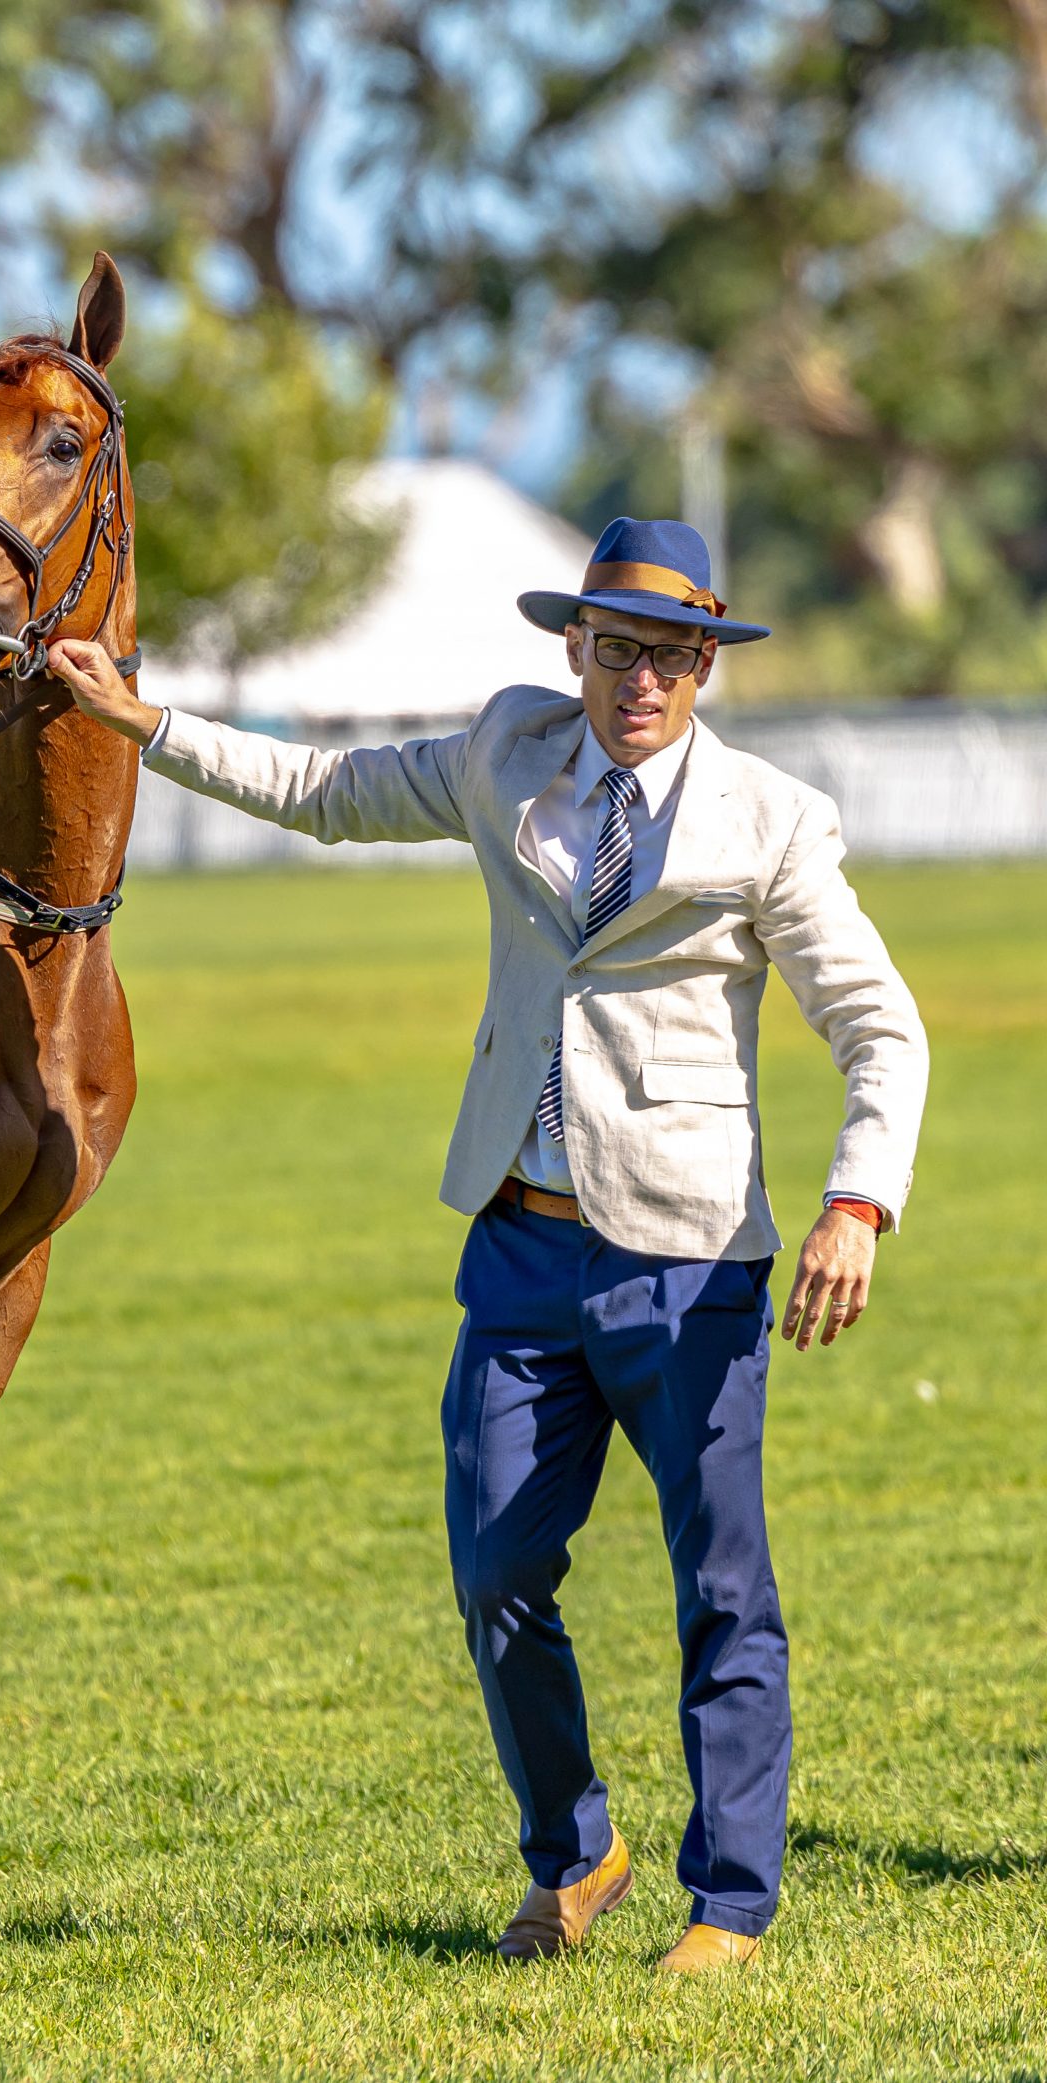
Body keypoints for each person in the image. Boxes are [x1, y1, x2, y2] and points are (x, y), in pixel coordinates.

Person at [45, 518, 930, 1975]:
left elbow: (878, 1023)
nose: (638, 676)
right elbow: (327, 789)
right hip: (520, 1250)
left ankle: (732, 1902)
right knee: (497, 1567)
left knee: (722, 1585)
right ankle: (578, 1852)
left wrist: (857, 1199)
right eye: (614, 645)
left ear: (707, 663)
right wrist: (146, 720)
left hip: (695, 1261)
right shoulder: (506, 752)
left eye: (667, 653)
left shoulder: (771, 819)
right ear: (573, 645)